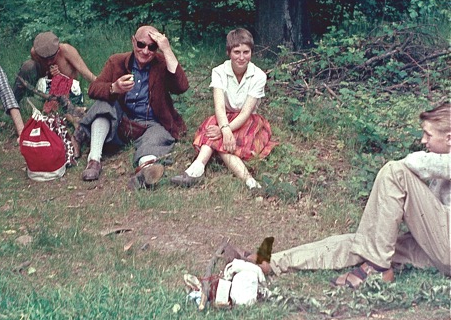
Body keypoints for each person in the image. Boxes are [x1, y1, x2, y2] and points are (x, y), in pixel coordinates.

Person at [230, 101, 450, 288]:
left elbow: (413, 163)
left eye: (428, 134)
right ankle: (271, 262)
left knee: (395, 172)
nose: (423, 141)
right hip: (434, 245)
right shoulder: (441, 162)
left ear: (449, 138)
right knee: (362, 243)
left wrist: (394, 176)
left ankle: (378, 269)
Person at [75, 25, 189, 189]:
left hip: (151, 123)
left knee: (156, 138)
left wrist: (167, 49)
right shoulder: (116, 62)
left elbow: (182, 87)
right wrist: (114, 88)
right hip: (121, 122)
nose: (145, 51)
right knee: (102, 105)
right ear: (133, 41)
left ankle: (145, 170)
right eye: (141, 45)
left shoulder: (161, 63)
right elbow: (93, 89)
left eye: (152, 47)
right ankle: (94, 160)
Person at [170, 28, 277, 189]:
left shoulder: (259, 75)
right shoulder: (219, 72)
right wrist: (224, 129)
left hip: (246, 120)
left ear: (251, 53)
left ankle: (200, 170)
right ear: (229, 52)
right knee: (216, 134)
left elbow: (246, 111)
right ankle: (200, 169)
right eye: (237, 52)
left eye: (246, 52)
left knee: (221, 142)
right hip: (224, 117)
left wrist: (224, 131)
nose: (241, 57)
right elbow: (219, 105)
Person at [13, 31, 97, 105]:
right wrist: (49, 74)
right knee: (28, 66)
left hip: (68, 95)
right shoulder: (34, 53)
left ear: (58, 50)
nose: (49, 62)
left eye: (52, 58)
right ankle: (13, 103)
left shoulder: (67, 51)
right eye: (44, 59)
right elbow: (40, 76)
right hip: (45, 93)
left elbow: (87, 74)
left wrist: (104, 87)